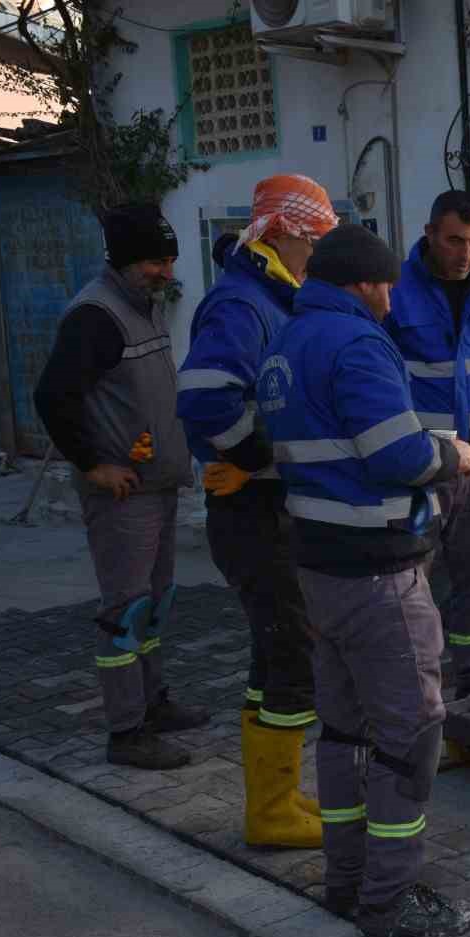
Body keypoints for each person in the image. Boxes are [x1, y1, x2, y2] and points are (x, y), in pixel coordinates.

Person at [256, 223, 470, 937]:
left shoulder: (289, 339)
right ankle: (389, 899)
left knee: (346, 730)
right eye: (385, 286)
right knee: (410, 733)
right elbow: (396, 455)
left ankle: (347, 881)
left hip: (320, 568)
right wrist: (450, 456)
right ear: (362, 283)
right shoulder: (356, 342)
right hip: (378, 571)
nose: (391, 300)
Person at [177, 174, 338, 848]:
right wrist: (252, 456)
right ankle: (271, 813)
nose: (319, 255)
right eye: (316, 241)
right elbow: (206, 396)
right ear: (285, 234)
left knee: (274, 652)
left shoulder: (274, 298)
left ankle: (277, 797)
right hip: (253, 509)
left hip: (267, 504)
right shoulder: (243, 305)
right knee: (293, 651)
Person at [34, 204, 208, 770]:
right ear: (123, 260)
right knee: (126, 611)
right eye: (155, 262)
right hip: (123, 495)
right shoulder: (96, 316)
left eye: (169, 260)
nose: (166, 272)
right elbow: (52, 396)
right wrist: (94, 466)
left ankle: (153, 703)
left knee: (154, 604)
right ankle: (127, 731)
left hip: (157, 485)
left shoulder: (141, 305)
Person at [387, 190, 470, 698]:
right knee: (411, 570)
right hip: (423, 459)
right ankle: (409, 675)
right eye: (455, 240)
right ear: (430, 234)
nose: (466, 253)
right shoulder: (396, 290)